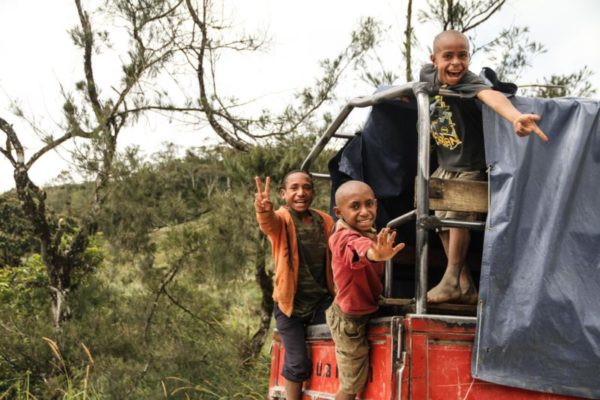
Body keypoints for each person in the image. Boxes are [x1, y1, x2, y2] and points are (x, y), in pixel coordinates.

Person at [420, 30, 549, 304]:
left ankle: (452, 277)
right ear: (434, 60)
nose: (456, 63)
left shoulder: (468, 80)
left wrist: (515, 117)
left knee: (458, 216)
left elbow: (490, 95)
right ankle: (463, 285)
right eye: (448, 56)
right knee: (440, 220)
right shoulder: (426, 75)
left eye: (463, 55)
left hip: (469, 164)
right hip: (445, 163)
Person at [254, 171, 335, 400]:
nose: (301, 193)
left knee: (343, 343)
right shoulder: (281, 218)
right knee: (297, 364)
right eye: (294, 188)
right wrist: (263, 209)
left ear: (313, 191)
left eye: (307, 187)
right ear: (283, 194)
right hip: (290, 306)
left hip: (322, 302)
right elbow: (268, 224)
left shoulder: (325, 220)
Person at [326, 180, 405, 400]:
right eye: (355, 206)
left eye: (369, 204)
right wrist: (374, 254)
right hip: (348, 320)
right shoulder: (342, 238)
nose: (364, 211)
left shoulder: (368, 232)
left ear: (376, 204)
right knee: (351, 385)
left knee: (362, 381)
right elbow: (358, 250)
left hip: (365, 311)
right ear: (338, 211)